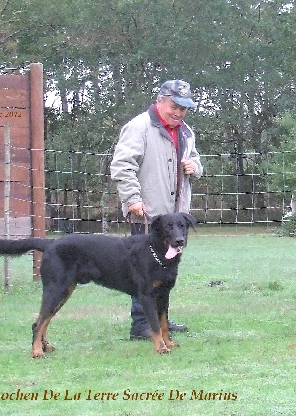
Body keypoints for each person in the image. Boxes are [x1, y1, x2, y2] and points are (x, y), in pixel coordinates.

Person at [110, 79, 204, 341]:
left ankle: (161, 320)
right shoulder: (139, 127)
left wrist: (194, 168)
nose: (178, 113)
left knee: (166, 270)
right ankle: (141, 324)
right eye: (174, 106)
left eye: (184, 109)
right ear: (160, 100)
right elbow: (122, 165)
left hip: (174, 218)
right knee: (144, 271)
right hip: (148, 215)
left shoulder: (185, 131)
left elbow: (195, 159)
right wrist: (132, 199)